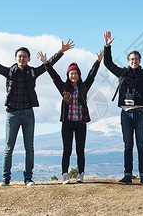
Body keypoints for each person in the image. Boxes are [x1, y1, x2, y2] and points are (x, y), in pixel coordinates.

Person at [0, 37, 74, 186]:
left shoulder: (33, 72)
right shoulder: (9, 72)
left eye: (24, 56)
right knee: (8, 148)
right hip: (13, 114)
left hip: (28, 114)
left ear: (29, 59)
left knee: (29, 148)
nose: (22, 58)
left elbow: (48, 65)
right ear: (15, 58)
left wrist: (61, 52)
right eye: (19, 56)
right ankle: (6, 178)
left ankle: (28, 178)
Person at [103, 30, 143, 186]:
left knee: (141, 146)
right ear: (128, 60)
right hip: (125, 113)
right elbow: (108, 63)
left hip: (140, 113)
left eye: (136, 59)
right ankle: (127, 176)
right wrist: (107, 47)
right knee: (128, 146)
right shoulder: (122, 73)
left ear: (140, 60)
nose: (134, 61)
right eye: (131, 59)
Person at [37, 50, 103, 184]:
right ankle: (65, 175)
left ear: (79, 74)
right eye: (71, 73)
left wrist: (98, 62)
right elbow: (54, 77)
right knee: (66, 150)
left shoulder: (84, 87)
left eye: (76, 73)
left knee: (80, 150)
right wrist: (46, 63)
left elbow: (92, 75)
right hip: (67, 123)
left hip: (81, 123)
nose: (74, 75)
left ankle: (81, 174)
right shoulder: (64, 87)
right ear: (68, 75)